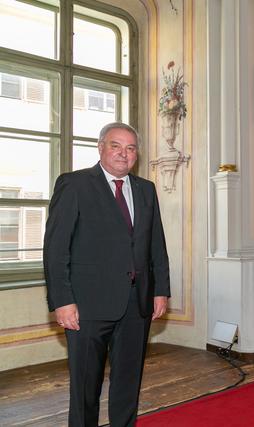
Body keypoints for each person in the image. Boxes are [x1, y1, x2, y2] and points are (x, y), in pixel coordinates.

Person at [44, 122, 170, 427]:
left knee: (128, 383)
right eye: (116, 146)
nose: (123, 154)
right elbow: (56, 248)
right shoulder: (74, 184)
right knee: (86, 386)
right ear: (101, 148)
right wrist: (62, 300)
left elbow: (156, 243)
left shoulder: (145, 190)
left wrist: (160, 290)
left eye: (130, 148)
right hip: (87, 306)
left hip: (136, 304)